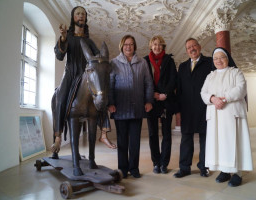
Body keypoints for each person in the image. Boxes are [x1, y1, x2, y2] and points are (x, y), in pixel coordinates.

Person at [50, 6, 115, 155]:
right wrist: (63, 38)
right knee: (60, 98)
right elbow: (59, 56)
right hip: (71, 74)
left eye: (84, 14)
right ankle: (58, 136)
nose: (81, 16)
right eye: (78, 13)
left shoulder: (89, 41)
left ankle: (104, 132)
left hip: (86, 76)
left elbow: (97, 58)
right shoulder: (68, 37)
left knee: (101, 93)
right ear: (73, 17)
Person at [201, 47, 253, 187]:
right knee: (219, 144)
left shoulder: (236, 72)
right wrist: (212, 99)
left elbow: (240, 89)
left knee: (234, 142)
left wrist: (223, 99)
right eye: (215, 58)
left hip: (231, 114)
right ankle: (224, 171)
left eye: (221, 57)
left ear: (227, 58)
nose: (218, 60)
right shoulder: (210, 76)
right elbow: (203, 92)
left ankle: (237, 173)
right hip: (215, 116)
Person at [108, 35, 154, 178]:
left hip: (137, 108)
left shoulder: (142, 63)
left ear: (135, 47)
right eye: (126, 44)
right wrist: (110, 103)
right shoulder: (113, 63)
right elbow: (109, 85)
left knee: (135, 141)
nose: (128, 47)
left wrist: (149, 101)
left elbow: (148, 83)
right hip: (120, 109)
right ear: (122, 46)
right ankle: (122, 169)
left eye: (131, 44)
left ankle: (134, 169)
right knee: (122, 141)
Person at [174, 38, 213, 178]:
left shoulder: (210, 62)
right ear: (186, 51)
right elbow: (179, 89)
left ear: (200, 46)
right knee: (186, 139)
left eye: (194, 46)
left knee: (205, 139)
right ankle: (184, 168)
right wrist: (178, 110)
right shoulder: (182, 66)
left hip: (205, 108)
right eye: (188, 47)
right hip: (187, 109)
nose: (192, 49)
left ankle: (204, 167)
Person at [144, 36, 177, 174]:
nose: (157, 47)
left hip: (166, 101)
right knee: (152, 134)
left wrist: (165, 94)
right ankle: (156, 163)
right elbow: (143, 80)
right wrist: (153, 94)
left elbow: (174, 80)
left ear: (163, 47)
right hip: (151, 101)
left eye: (160, 45)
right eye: (155, 44)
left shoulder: (169, 60)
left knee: (166, 134)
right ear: (151, 46)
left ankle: (164, 163)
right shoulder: (145, 61)